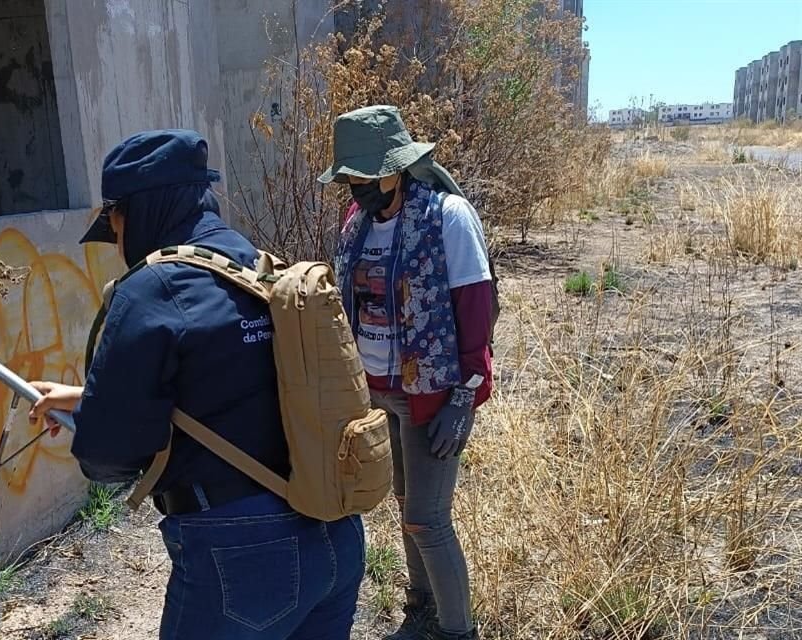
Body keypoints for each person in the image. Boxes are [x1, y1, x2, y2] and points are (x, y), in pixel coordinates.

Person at [29, 130, 365, 640]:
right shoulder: (261, 269)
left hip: (242, 558)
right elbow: (244, 386)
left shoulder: (151, 290)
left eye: (113, 224)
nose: (117, 241)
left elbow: (107, 457)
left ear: (134, 214)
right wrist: (83, 398)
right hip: (335, 534)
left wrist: (93, 418)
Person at [318, 106, 496, 640]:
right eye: (352, 178)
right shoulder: (358, 224)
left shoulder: (446, 217)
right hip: (377, 392)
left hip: (431, 394)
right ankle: (419, 603)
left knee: (428, 519)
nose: (360, 188)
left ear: (397, 167)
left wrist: (464, 398)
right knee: (402, 505)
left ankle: (457, 630)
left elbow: (476, 310)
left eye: (368, 176)